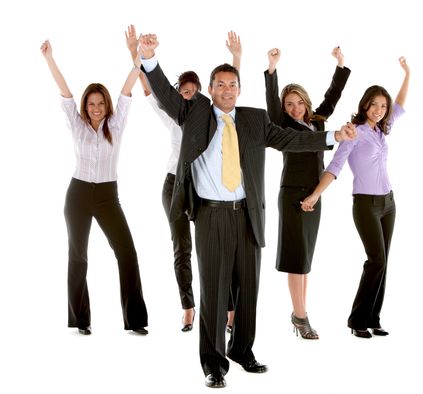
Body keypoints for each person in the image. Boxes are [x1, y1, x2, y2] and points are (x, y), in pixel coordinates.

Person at [138, 33, 356, 388]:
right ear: (211, 89)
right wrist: (149, 59)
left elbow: (290, 139)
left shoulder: (254, 120)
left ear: (239, 89)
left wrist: (333, 137)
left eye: (232, 84)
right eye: (220, 84)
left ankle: (243, 350)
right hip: (209, 215)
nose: (227, 89)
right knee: (214, 288)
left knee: (248, 287)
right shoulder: (193, 113)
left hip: (247, 214)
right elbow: (164, 93)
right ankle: (213, 362)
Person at [124, 26, 239, 332]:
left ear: (201, 96)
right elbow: (148, 86)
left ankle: (228, 309)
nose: (187, 95)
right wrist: (136, 53)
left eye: (192, 91)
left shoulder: (210, 117)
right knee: (182, 247)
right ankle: (188, 307)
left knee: (214, 248)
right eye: (182, 91)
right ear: (177, 95)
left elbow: (229, 93)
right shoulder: (171, 114)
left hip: (203, 187)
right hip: (174, 185)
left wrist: (236, 57)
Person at [40, 40, 148, 335]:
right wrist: (50, 59)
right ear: (85, 106)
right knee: (78, 256)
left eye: (101, 103)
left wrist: (138, 57)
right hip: (77, 195)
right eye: (91, 104)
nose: (96, 108)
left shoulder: (117, 122)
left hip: (107, 196)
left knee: (127, 252)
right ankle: (80, 320)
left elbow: (128, 88)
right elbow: (64, 91)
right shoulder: (76, 124)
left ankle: (135, 320)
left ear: (107, 105)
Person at [301, 57, 410, 338]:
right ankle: (357, 321)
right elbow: (335, 167)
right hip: (366, 205)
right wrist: (314, 195)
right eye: (374, 104)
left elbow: (399, 106)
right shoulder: (356, 133)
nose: (379, 109)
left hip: (389, 203)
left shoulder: (382, 129)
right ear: (365, 105)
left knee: (384, 260)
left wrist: (407, 74)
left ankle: (373, 318)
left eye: (382, 106)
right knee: (376, 260)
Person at [265, 47, 351, 339]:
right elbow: (272, 104)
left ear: (305, 102)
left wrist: (340, 65)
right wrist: (272, 69)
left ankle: (299, 313)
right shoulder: (282, 126)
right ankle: (300, 316)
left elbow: (332, 96)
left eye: (298, 102)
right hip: (292, 195)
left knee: (305, 258)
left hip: (315, 193)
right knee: (295, 257)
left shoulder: (317, 121)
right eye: (289, 104)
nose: (295, 108)